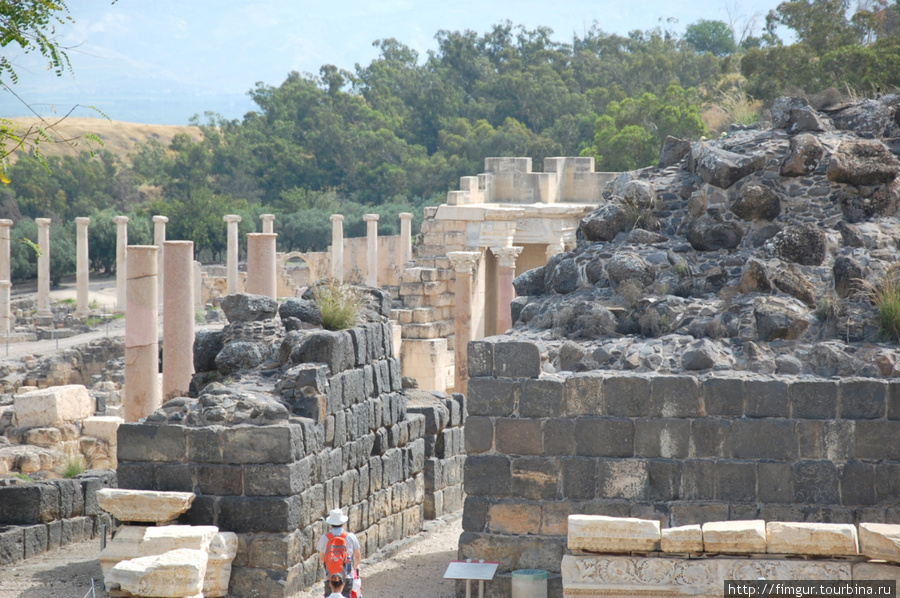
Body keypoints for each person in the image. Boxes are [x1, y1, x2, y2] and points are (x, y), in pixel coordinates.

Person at [318, 508, 361, 598]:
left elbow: (322, 558)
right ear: (343, 522)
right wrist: (354, 569)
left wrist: (332, 566)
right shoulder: (351, 537)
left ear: (331, 523)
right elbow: (357, 556)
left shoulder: (324, 538)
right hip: (347, 576)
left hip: (330, 577)